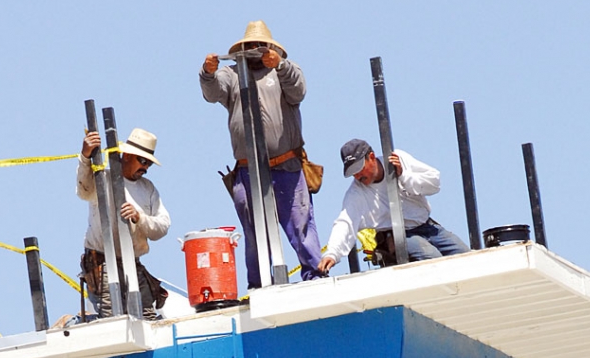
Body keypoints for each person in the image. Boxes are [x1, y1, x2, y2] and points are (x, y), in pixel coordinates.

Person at [200, 21, 323, 289]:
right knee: (255, 232)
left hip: (286, 166)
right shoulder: (232, 75)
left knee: (300, 224)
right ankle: (259, 285)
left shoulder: (284, 71)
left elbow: (299, 90)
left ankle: (315, 277)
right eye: (251, 47)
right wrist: (207, 73)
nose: (255, 50)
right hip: (247, 170)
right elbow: (212, 93)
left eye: (260, 46)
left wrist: (279, 64)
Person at [318, 139, 468, 274]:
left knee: (467, 256)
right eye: (353, 173)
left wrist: (404, 175)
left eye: (359, 169)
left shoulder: (398, 159)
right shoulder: (356, 194)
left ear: (371, 157)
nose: (357, 176)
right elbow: (345, 222)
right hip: (398, 235)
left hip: (428, 227)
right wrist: (333, 253)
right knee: (433, 259)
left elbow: (434, 182)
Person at [77, 127, 170, 318]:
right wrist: (86, 156)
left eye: (148, 164)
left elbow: (162, 226)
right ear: (127, 155)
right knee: (112, 318)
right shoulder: (103, 179)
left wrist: (139, 218)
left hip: (131, 262)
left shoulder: (148, 188)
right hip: (102, 261)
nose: (145, 168)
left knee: (146, 317)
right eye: (142, 161)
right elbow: (83, 189)